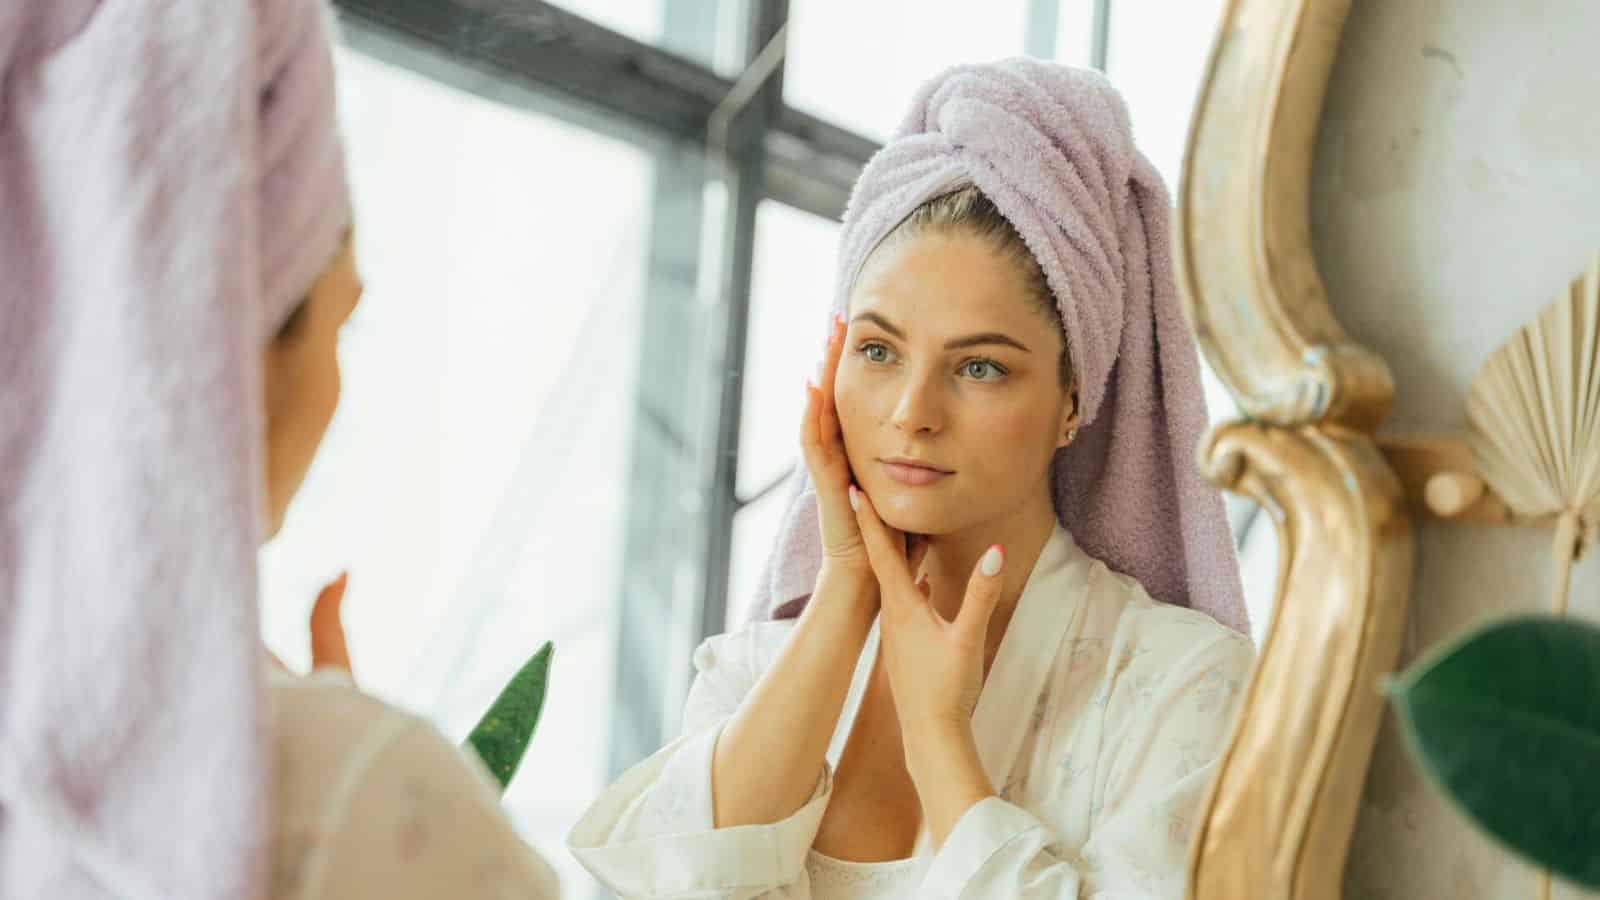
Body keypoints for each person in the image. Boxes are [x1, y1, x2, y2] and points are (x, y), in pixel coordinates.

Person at [568, 59, 1255, 899]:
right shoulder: (751, 669)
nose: (911, 412)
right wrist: (848, 588)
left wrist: (939, 737)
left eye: (981, 368)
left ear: (1074, 399)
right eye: (879, 351)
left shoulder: (1181, 682)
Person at [1, 2, 556, 896]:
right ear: (219, 348)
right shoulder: (350, 803)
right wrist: (356, 779)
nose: (341, 387)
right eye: (344, 321)